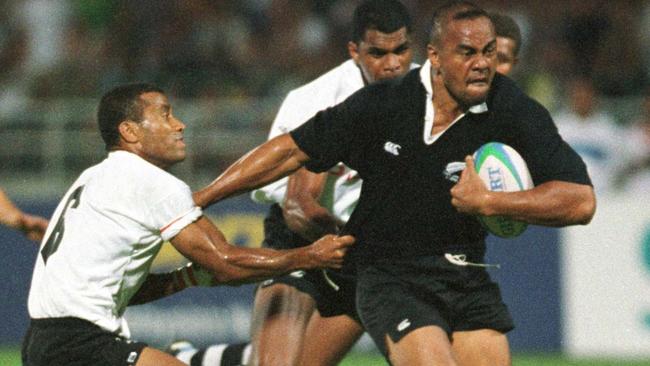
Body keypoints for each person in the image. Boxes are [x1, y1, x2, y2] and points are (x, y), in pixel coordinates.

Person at [193, 1, 596, 365]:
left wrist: (492, 202)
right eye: (467, 52)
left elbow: (581, 203)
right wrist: (202, 197)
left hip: (466, 274)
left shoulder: (512, 108)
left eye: (489, 52)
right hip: (388, 275)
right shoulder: (383, 103)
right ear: (435, 57)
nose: (483, 64)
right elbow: (291, 151)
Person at [21, 83, 355, 366]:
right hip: (80, 345)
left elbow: (115, 291)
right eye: (164, 114)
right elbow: (225, 264)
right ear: (130, 131)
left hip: (43, 342)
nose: (179, 124)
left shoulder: (92, 178)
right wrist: (309, 256)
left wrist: (184, 277)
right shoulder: (150, 182)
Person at [174, 1, 416, 365]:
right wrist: (355, 243)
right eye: (379, 53)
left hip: (367, 252)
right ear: (354, 51)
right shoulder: (320, 102)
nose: (393, 63)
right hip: (303, 239)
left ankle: (192, 360)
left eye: (401, 50)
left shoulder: (429, 95)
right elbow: (298, 209)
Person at [553, 76, 629, 194]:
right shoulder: (558, 126)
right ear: (571, 99)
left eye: (586, 97)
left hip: (604, 190)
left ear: (594, 98)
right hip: (568, 191)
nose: (582, 101)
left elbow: (619, 162)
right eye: (578, 97)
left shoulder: (608, 128)